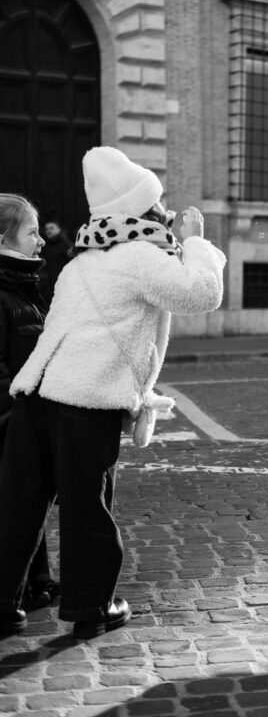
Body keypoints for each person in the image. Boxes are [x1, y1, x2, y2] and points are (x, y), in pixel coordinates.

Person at [0, 146, 226, 639]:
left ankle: (1, 605)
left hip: (38, 397)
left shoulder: (83, 260)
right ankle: (90, 608)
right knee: (87, 508)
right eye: (158, 202)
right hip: (85, 402)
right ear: (140, 209)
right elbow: (202, 294)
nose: (165, 211)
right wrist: (197, 242)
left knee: (20, 506)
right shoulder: (140, 255)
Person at [0, 196, 59, 610]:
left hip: (29, 420)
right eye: (31, 232)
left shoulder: (23, 283)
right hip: (10, 424)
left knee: (29, 500)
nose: (40, 241)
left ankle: (37, 582)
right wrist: (12, 420)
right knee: (12, 504)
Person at [40, 216, 73, 302]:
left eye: (51, 228)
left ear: (59, 229)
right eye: (46, 229)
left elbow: (73, 265)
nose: (48, 231)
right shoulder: (45, 245)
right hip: (50, 285)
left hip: (64, 285)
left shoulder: (66, 245)